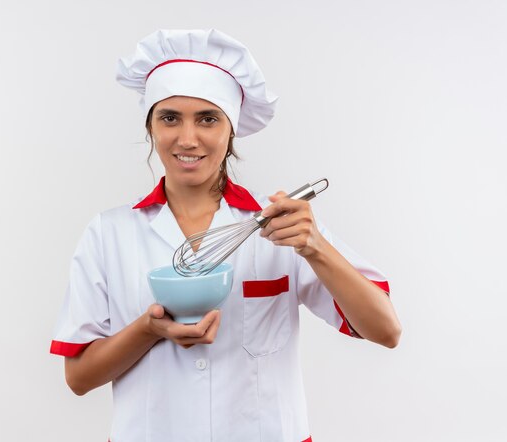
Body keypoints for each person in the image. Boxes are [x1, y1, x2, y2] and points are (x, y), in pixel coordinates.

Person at [50, 29, 401, 442]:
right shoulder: (108, 233)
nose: (187, 138)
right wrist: (149, 329)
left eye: (207, 118)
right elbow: (78, 378)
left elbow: (386, 331)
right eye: (169, 118)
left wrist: (316, 248)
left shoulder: (283, 224)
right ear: (150, 127)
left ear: (231, 130)